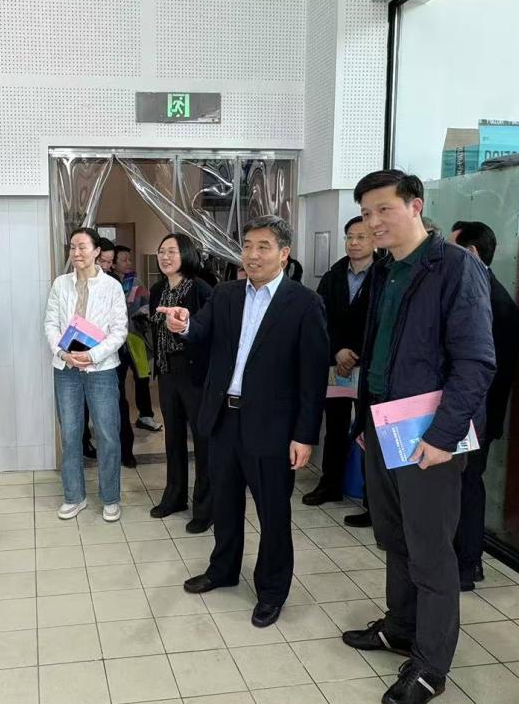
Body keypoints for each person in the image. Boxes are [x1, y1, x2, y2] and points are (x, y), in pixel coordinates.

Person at [339, 169, 495, 704]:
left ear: (415, 206)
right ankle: (401, 628)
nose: (373, 222)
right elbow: (378, 353)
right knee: (394, 537)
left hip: (429, 436)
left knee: (431, 553)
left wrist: (444, 436)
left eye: (384, 209)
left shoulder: (454, 268)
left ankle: (431, 666)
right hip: (385, 426)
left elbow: (476, 362)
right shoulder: (387, 269)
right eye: (366, 213)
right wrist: (365, 424)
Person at [160, 216, 328, 628]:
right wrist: (183, 324)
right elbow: (199, 330)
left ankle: (271, 590)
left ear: (284, 254)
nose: (252, 254)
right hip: (222, 418)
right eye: (248, 246)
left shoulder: (304, 303)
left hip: (272, 427)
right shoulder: (226, 294)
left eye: (263, 247)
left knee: (273, 512)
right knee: (224, 502)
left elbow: (312, 378)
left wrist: (304, 435)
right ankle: (223, 569)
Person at [449, 220, 519, 590]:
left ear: (471, 253)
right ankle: (465, 560)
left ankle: (467, 564)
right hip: (469, 414)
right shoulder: (480, 294)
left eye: (452, 249)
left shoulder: (493, 303)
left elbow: (486, 372)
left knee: (466, 485)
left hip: (474, 416)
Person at [46, 227, 130, 521]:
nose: (76, 252)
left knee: (107, 434)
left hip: (101, 370)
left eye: (82, 247)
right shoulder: (61, 284)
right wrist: (63, 353)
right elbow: (50, 324)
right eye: (72, 247)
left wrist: (92, 355)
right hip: (66, 369)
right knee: (70, 435)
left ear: (96, 251)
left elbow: (119, 331)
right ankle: (74, 496)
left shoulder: (111, 287)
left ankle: (110, 498)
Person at [306, 217, 375, 509]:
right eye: (350, 237)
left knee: (369, 430)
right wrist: (338, 351)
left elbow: (381, 323)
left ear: (374, 240)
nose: (354, 243)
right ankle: (330, 484)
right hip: (336, 366)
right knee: (334, 426)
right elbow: (320, 319)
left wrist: (355, 352)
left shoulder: (384, 275)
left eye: (361, 237)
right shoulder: (333, 276)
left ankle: (372, 497)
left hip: (369, 365)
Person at [148, 233, 214, 531]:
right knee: (172, 437)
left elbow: (209, 333)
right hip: (166, 372)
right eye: (161, 251)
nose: (165, 257)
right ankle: (174, 496)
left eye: (172, 251)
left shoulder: (200, 289)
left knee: (202, 440)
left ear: (186, 254)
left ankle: (205, 508)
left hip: (194, 373)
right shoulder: (157, 289)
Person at [83, 238, 138, 467]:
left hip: (113, 352)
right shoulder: (76, 281)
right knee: (84, 401)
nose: (106, 266)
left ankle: (125, 450)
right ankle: (85, 442)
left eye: (109, 262)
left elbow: (119, 324)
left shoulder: (113, 282)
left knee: (118, 401)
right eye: (102, 261)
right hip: (83, 352)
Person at [115, 245, 161, 432]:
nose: (128, 263)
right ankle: (118, 419)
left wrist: (142, 313)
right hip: (115, 341)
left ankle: (146, 416)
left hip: (136, 338)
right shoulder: (108, 282)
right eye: (124, 260)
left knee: (142, 377)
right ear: (114, 264)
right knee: (117, 381)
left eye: (129, 259)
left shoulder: (136, 282)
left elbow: (148, 304)